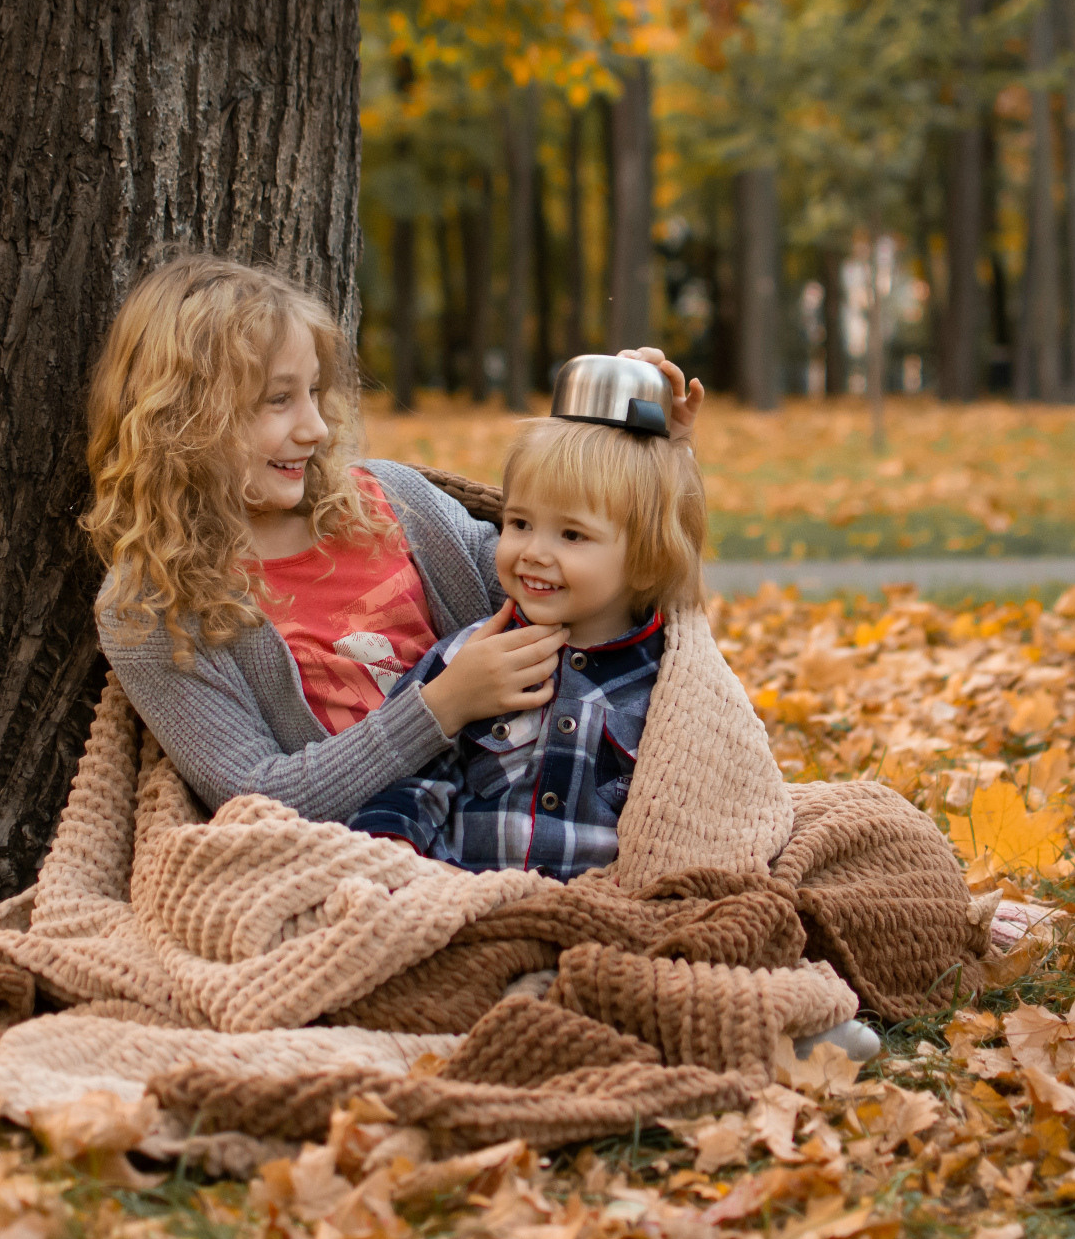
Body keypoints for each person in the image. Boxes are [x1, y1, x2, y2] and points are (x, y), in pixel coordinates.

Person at [82, 253, 702, 823]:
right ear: (184, 417)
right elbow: (254, 796)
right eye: (279, 400)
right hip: (368, 857)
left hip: (527, 814)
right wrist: (444, 705)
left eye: (315, 393)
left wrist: (649, 460)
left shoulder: (394, 503)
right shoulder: (151, 605)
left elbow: (599, 592)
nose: (318, 429)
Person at [346, 417, 698, 878]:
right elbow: (412, 781)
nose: (532, 551)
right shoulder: (474, 658)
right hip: (469, 901)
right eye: (520, 523)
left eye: (571, 534)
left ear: (646, 563)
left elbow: (702, 810)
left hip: (605, 909)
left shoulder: (674, 683)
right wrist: (391, 856)